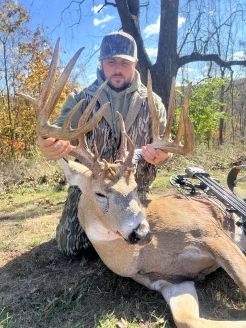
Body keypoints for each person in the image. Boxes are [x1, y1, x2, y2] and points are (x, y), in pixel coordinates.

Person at [38, 31, 169, 258]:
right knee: (72, 248)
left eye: (124, 62)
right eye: (111, 62)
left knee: (153, 243)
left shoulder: (153, 103)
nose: (117, 68)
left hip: (134, 190)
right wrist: (46, 143)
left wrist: (163, 155)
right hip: (93, 190)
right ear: (101, 63)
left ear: (135, 63)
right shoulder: (80, 99)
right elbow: (53, 135)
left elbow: (165, 146)